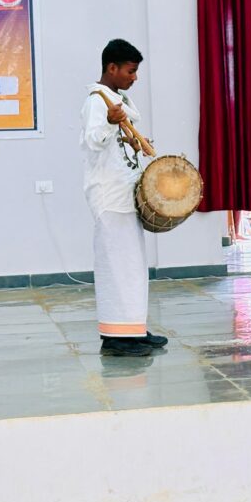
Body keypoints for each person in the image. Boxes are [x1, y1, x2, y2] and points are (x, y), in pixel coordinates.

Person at [80, 39, 168, 357]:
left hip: (125, 195)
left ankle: (133, 330)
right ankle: (115, 338)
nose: (134, 77)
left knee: (131, 266)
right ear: (112, 68)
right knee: (115, 266)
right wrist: (108, 123)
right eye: (130, 71)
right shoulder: (97, 102)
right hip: (109, 196)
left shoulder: (119, 101)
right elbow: (92, 142)